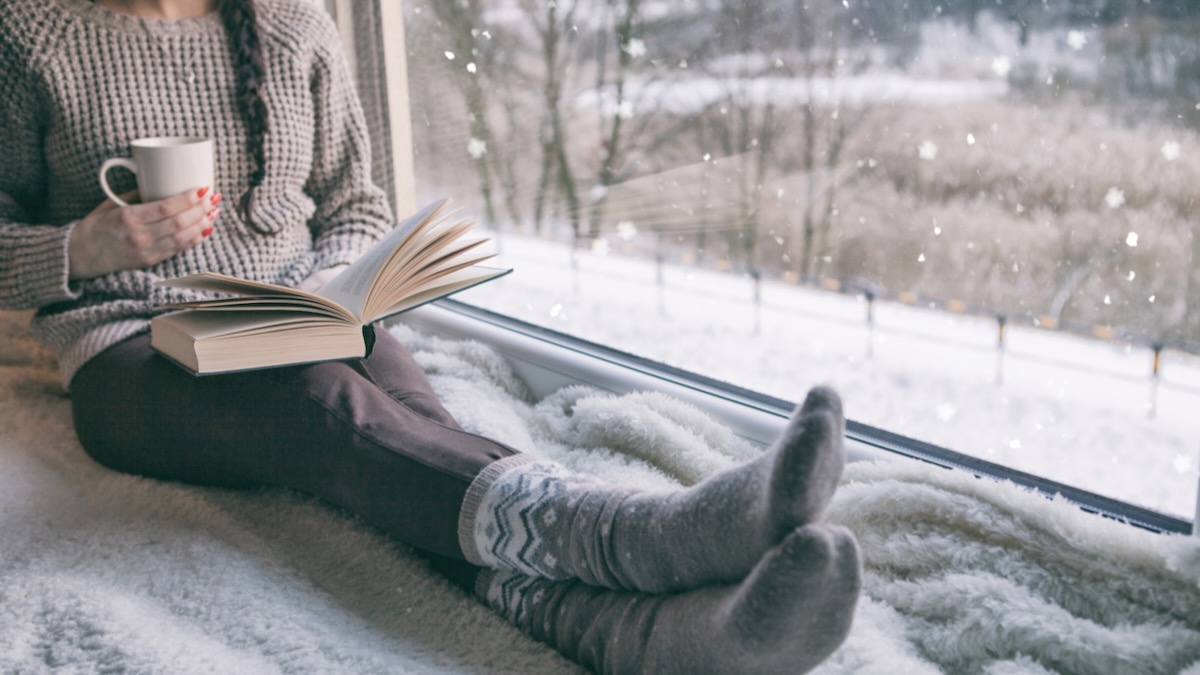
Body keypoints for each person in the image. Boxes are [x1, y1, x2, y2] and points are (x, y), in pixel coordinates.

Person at [0, 0, 863, 672]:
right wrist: (84, 245)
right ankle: (634, 532)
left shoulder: (290, 25)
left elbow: (355, 208)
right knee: (330, 409)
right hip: (131, 353)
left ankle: (641, 637)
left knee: (418, 433)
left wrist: (320, 292)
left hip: (300, 319)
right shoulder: (30, 36)